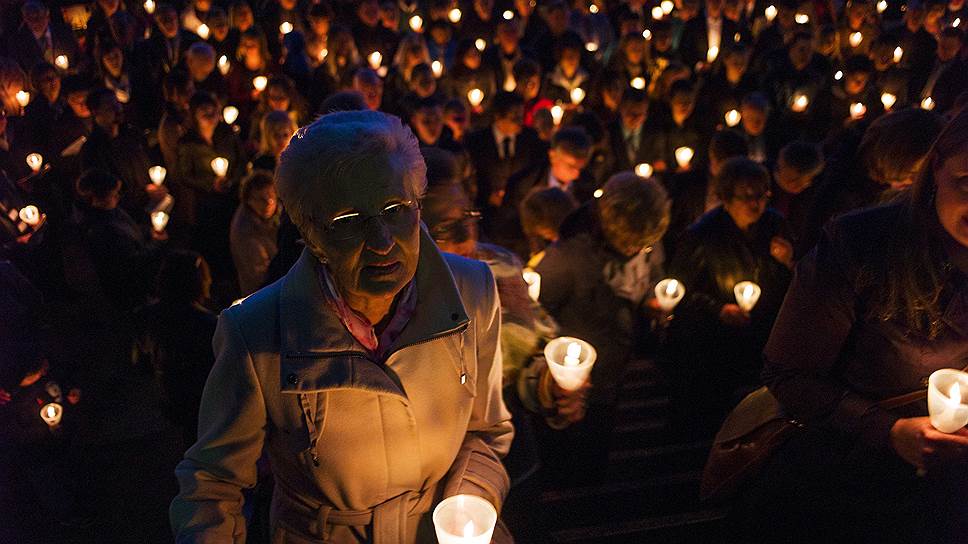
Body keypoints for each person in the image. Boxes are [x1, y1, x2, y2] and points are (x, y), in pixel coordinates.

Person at [170, 111, 513, 542]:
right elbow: (213, 484)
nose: (383, 241)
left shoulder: (474, 291)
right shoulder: (255, 332)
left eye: (394, 209)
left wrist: (470, 504)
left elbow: (486, 431)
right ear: (310, 233)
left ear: (418, 205)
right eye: (350, 221)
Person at [735, 99, 968, 544]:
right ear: (935, 167)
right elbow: (788, 373)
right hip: (842, 486)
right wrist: (887, 431)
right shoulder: (858, 246)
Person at [535, 172, 670, 481]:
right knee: (563, 453)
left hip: (615, 369)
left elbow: (653, 272)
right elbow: (536, 312)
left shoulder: (648, 240)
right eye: (632, 245)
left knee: (597, 446)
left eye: (645, 246)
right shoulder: (569, 256)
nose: (639, 251)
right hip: (570, 382)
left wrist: (651, 300)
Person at [666, 158, 793, 435]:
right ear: (725, 197)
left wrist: (790, 262)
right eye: (747, 196)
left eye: (762, 195)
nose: (756, 204)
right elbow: (678, 290)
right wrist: (718, 309)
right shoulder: (703, 234)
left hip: (763, 334)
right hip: (713, 341)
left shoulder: (775, 225)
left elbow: (794, 283)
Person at [230, 170, 279, 295]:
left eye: (271, 197)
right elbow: (259, 274)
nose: (268, 203)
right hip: (262, 294)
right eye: (261, 199)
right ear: (249, 200)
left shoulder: (276, 216)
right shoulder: (245, 230)